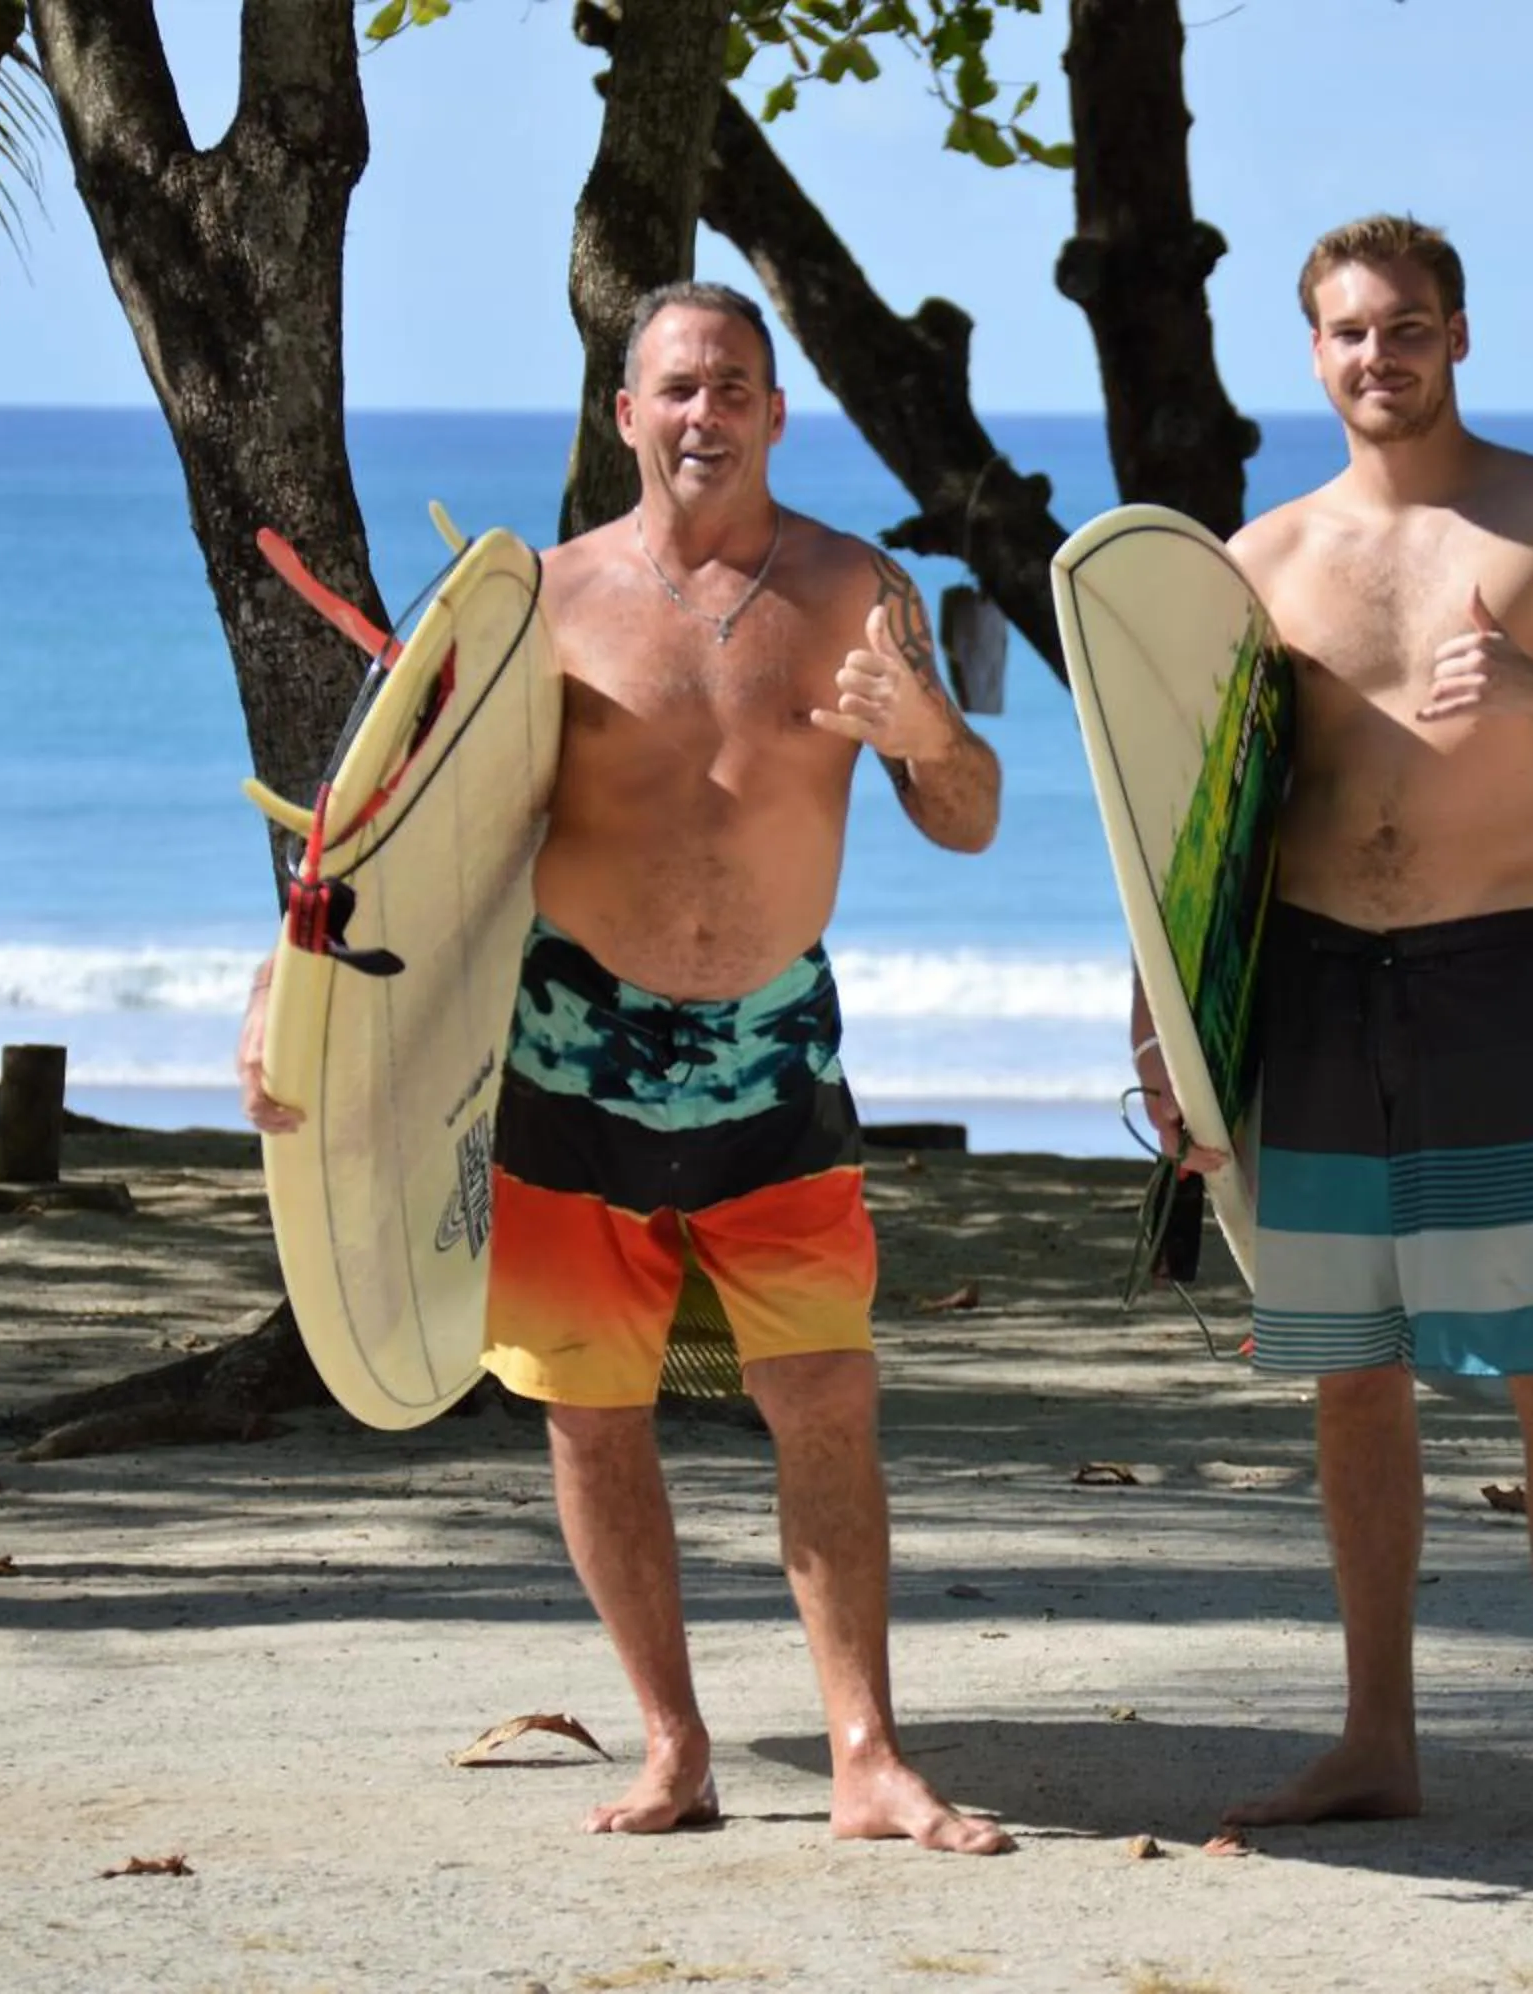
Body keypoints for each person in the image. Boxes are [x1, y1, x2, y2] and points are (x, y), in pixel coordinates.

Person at [241, 281, 1010, 1854]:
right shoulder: (543, 604)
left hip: (776, 1049)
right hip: (575, 1048)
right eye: (675, 387)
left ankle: (866, 1753)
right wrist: (284, 994)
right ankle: (674, 1745)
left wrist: (932, 729)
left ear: (779, 413)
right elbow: (384, 829)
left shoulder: (864, 586)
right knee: (592, 1413)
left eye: (734, 385)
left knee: (825, 1398)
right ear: (626, 416)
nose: (704, 413)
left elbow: (971, 813)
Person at [1135, 215, 1533, 1846]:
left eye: (1408, 327)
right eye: (1348, 332)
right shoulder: (1259, 562)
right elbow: (1195, 827)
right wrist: (1165, 1028)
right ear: (1310, 351)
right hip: (1310, 989)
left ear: (1461, 333)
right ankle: (1379, 1737)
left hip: (1489, 978)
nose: (1380, 356)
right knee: (1349, 1374)